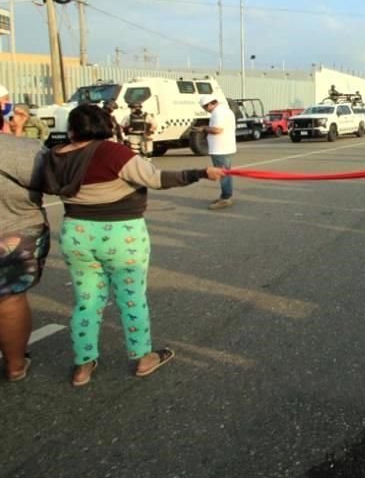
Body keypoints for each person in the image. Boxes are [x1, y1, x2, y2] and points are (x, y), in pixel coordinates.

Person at [40, 104, 223, 386]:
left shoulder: (55, 155)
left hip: (76, 233)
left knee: (87, 301)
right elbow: (156, 179)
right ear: (106, 124)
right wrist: (200, 172)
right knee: (131, 298)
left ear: (72, 129)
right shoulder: (113, 152)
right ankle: (143, 358)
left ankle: (83, 366)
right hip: (120, 233)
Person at [0, 134, 48, 381]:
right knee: (9, 299)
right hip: (13, 232)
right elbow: (55, 183)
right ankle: (15, 365)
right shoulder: (23, 149)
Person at [201, 95, 237, 210]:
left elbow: (217, 129)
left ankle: (226, 198)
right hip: (223, 147)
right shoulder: (225, 110)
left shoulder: (218, 112)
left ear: (209, 104)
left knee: (223, 173)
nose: (206, 110)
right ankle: (225, 196)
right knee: (225, 172)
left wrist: (204, 128)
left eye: (205, 108)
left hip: (220, 148)